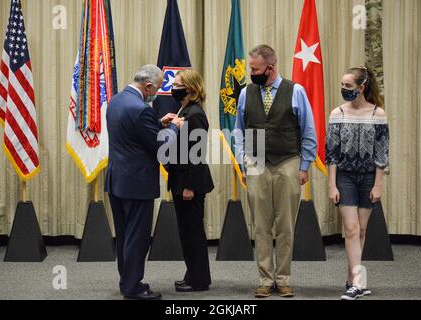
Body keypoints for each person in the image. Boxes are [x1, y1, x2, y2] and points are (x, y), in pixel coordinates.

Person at [234, 45, 317, 298]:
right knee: (260, 225)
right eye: (251, 68)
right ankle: (264, 279)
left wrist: (304, 167)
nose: (252, 72)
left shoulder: (296, 91)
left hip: (288, 162)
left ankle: (283, 279)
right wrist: (243, 163)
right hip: (256, 162)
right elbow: (239, 131)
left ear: (270, 67)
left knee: (285, 225)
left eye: (255, 68)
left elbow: (308, 132)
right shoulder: (246, 94)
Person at [105, 64, 183, 300]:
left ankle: (126, 281)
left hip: (117, 180)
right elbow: (160, 146)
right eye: (157, 88)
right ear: (148, 86)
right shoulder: (141, 109)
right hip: (137, 185)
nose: (158, 93)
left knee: (124, 236)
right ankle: (134, 288)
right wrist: (174, 130)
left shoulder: (117, 100)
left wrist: (159, 123)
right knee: (137, 239)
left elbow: (134, 133)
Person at [326, 66, 389, 300]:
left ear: (361, 87)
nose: (344, 89)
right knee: (351, 229)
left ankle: (352, 280)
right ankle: (358, 282)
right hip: (345, 177)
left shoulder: (378, 114)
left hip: (368, 179)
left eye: (349, 86)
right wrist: (332, 185)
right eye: (343, 85)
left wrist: (378, 184)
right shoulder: (338, 113)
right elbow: (331, 153)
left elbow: (382, 153)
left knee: (361, 230)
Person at [166, 69, 214, 292]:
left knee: (193, 232)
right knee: (186, 231)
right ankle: (192, 274)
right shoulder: (184, 109)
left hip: (189, 182)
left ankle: (199, 280)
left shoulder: (194, 114)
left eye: (177, 84)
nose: (173, 87)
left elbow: (197, 153)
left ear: (191, 89)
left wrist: (189, 186)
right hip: (180, 178)